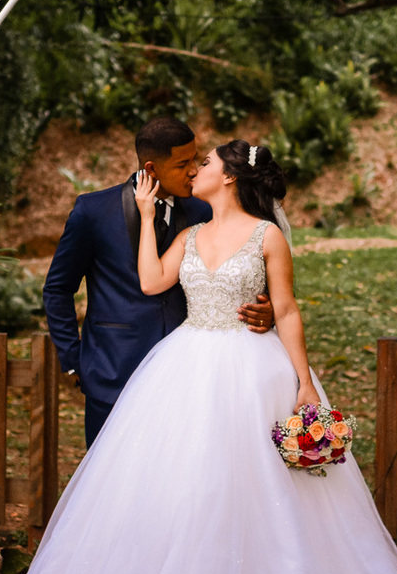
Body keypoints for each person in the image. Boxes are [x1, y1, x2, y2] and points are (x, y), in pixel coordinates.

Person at [12, 139, 397, 574]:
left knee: (251, 483)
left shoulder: (267, 235)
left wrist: (303, 382)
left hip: (251, 367)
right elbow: (151, 282)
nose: (197, 168)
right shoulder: (188, 232)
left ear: (229, 177)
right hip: (184, 364)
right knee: (184, 482)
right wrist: (141, 215)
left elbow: (286, 309)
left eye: (205, 162)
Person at [42, 117, 275, 447]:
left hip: (188, 379)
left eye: (196, 159)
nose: (193, 171)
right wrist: (73, 360)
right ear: (151, 168)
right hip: (113, 373)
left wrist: (267, 311)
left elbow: (243, 269)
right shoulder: (93, 211)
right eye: (183, 164)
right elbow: (57, 288)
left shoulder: (203, 210)